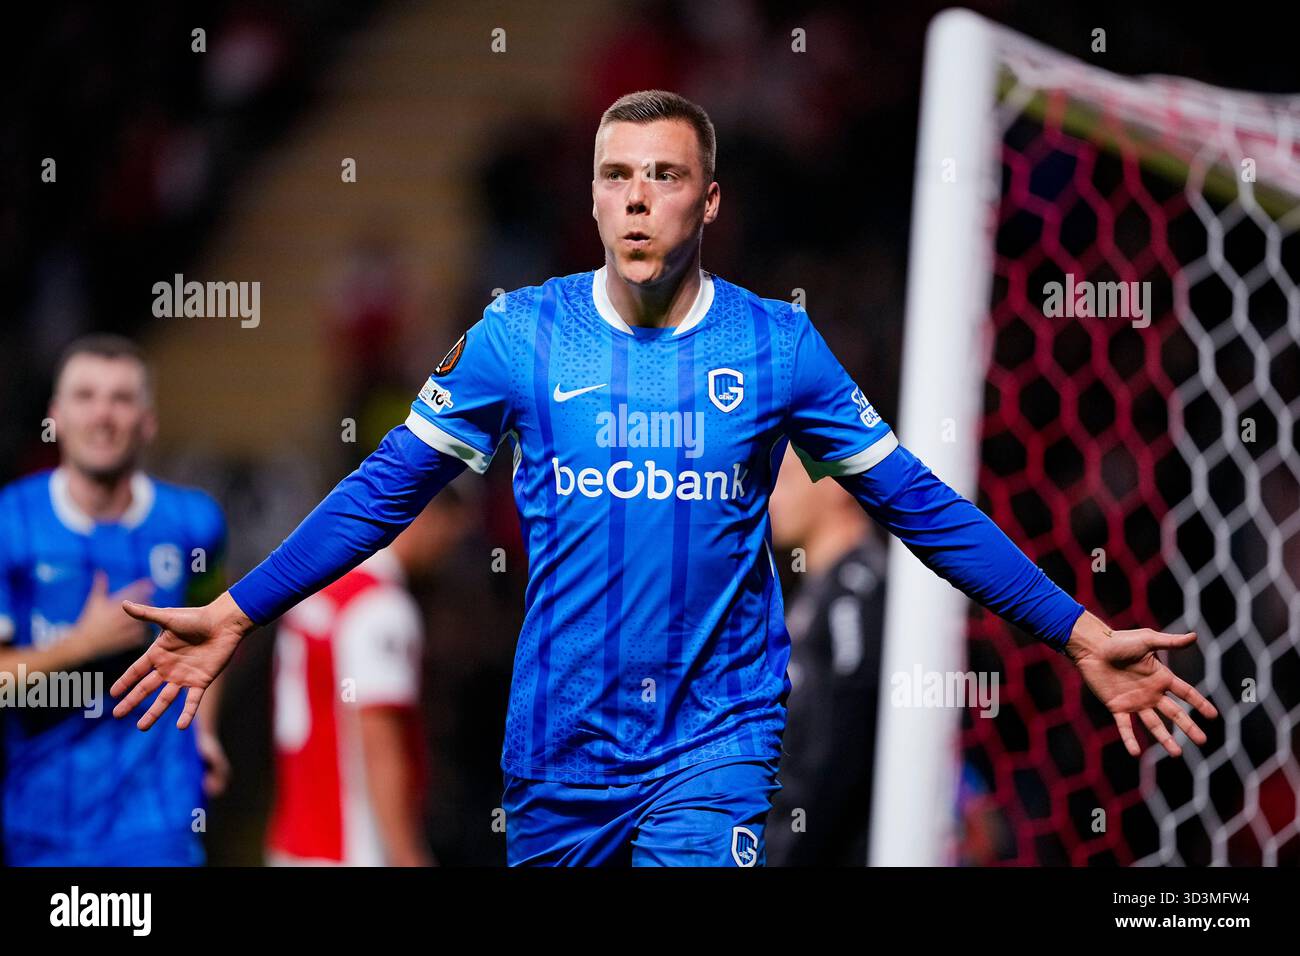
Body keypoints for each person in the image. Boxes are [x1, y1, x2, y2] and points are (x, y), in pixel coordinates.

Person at [112, 90, 1217, 867]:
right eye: (616, 177)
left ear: (709, 202)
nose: (638, 197)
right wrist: (238, 608)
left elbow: (917, 505)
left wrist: (1074, 629)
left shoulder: (778, 347)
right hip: (556, 748)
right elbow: (380, 492)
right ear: (592, 201)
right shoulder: (518, 336)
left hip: (714, 741)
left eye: (665, 176)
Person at [0, 335, 228, 866]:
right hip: (43, 822)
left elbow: (216, 630)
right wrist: (83, 646)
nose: (103, 415)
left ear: (147, 420)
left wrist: (206, 733)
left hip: (158, 816)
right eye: (85, 396)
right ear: (55, 416)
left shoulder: (195, 523)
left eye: (121, 399)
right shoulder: (10, 523)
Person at [266, 488, 471, 867]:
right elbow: (378, 738)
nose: (447, 551)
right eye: (449, 533)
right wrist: (407, 853)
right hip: (353, 850)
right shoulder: (379, 607)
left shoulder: (318, 586)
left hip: (295, 843)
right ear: (425, 517)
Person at [766, 444, 886, 865]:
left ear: (836, 482)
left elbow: (835, 764)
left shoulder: (856, 598)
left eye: (783, 479)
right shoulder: (814, 596)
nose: (768, 495)